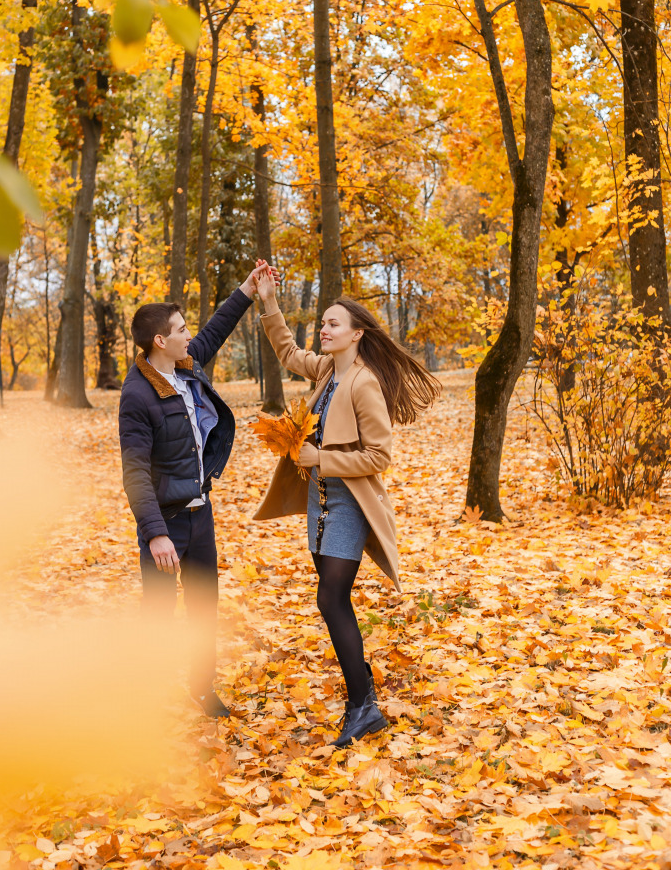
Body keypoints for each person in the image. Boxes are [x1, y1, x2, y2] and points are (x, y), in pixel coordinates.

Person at [253, 270, 441, 747]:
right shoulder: (327, 372)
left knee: (330, 598)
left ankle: (364, 707)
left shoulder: (363, 383)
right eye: (323, 323)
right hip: (318, 503)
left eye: (334, 324)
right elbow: (288, 353)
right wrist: (269, 301)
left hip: (350, 503)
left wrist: (323, 458)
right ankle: (363, 688)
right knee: (331, 596)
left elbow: (380, 456)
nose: (325, 329)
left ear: (357, 332)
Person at [118, 261, 279, 718]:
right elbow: (135, 474)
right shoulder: (137, 396)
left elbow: (216, 329)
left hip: (200, 515)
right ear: (159, 342)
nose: (189, 334)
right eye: (180, 329)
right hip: (165, 525)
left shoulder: (185, 365)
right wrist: (155, 534)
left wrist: (248, 290)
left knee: (204, 610)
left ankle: (201, 688)